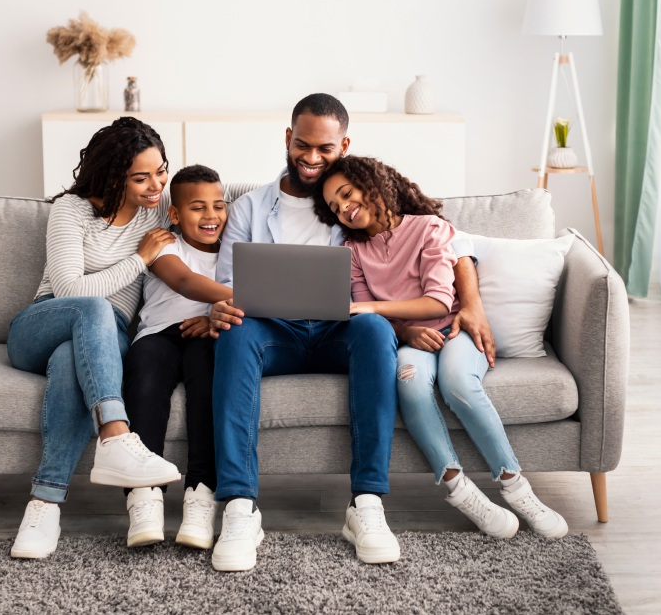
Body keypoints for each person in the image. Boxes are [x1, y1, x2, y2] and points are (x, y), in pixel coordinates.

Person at [207, 93, 498, 572]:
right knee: (236, 334)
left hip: (341, 329)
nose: (312, 158)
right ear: (288, 138)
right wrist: (222, 306)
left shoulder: (358, 192)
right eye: (303, 145)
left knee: (373, 332)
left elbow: (447, 235)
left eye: (325, 149)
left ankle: (367, 505)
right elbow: (227, 284)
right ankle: (239, 507)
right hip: (273, 334)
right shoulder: (250, 208)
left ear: (344, 145)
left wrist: (472, 302)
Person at [313, 155, 569, 540]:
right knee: (410, 383)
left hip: (454, 328)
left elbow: (435, 301)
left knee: (458, 384)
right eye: (334, 206)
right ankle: (459, 490)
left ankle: (517, 487)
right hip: (413, 338)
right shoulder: (353, 251)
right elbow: (371, 321)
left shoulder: (429, 228)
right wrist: (403, 332)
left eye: (347, 194)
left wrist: (371, 307)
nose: (343, 208)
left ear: (371, 184)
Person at [7, 117, 183, 559]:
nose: (156, 184)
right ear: (113, 175)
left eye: (160, 170)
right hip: (41, 324)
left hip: (104, 343)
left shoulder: (160, 207)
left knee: (72, 361)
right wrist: (142, 258)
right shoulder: (73, 210)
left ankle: (44, 504)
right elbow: (68, 289)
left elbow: (218, 199)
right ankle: (116, 435)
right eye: (141, 177)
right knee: (93, 308)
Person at [121, 164, 233, 550]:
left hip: (207, 334)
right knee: (145, 379)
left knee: (209, 386)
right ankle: (144, 495)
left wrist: (212, 316)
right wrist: (256, 298)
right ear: (175, 214)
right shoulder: (163, 243)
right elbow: (184, 281)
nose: (211, 216)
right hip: (159, 335)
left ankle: (201, 495)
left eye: (219, 206)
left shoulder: (236, 251)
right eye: (198, 208)